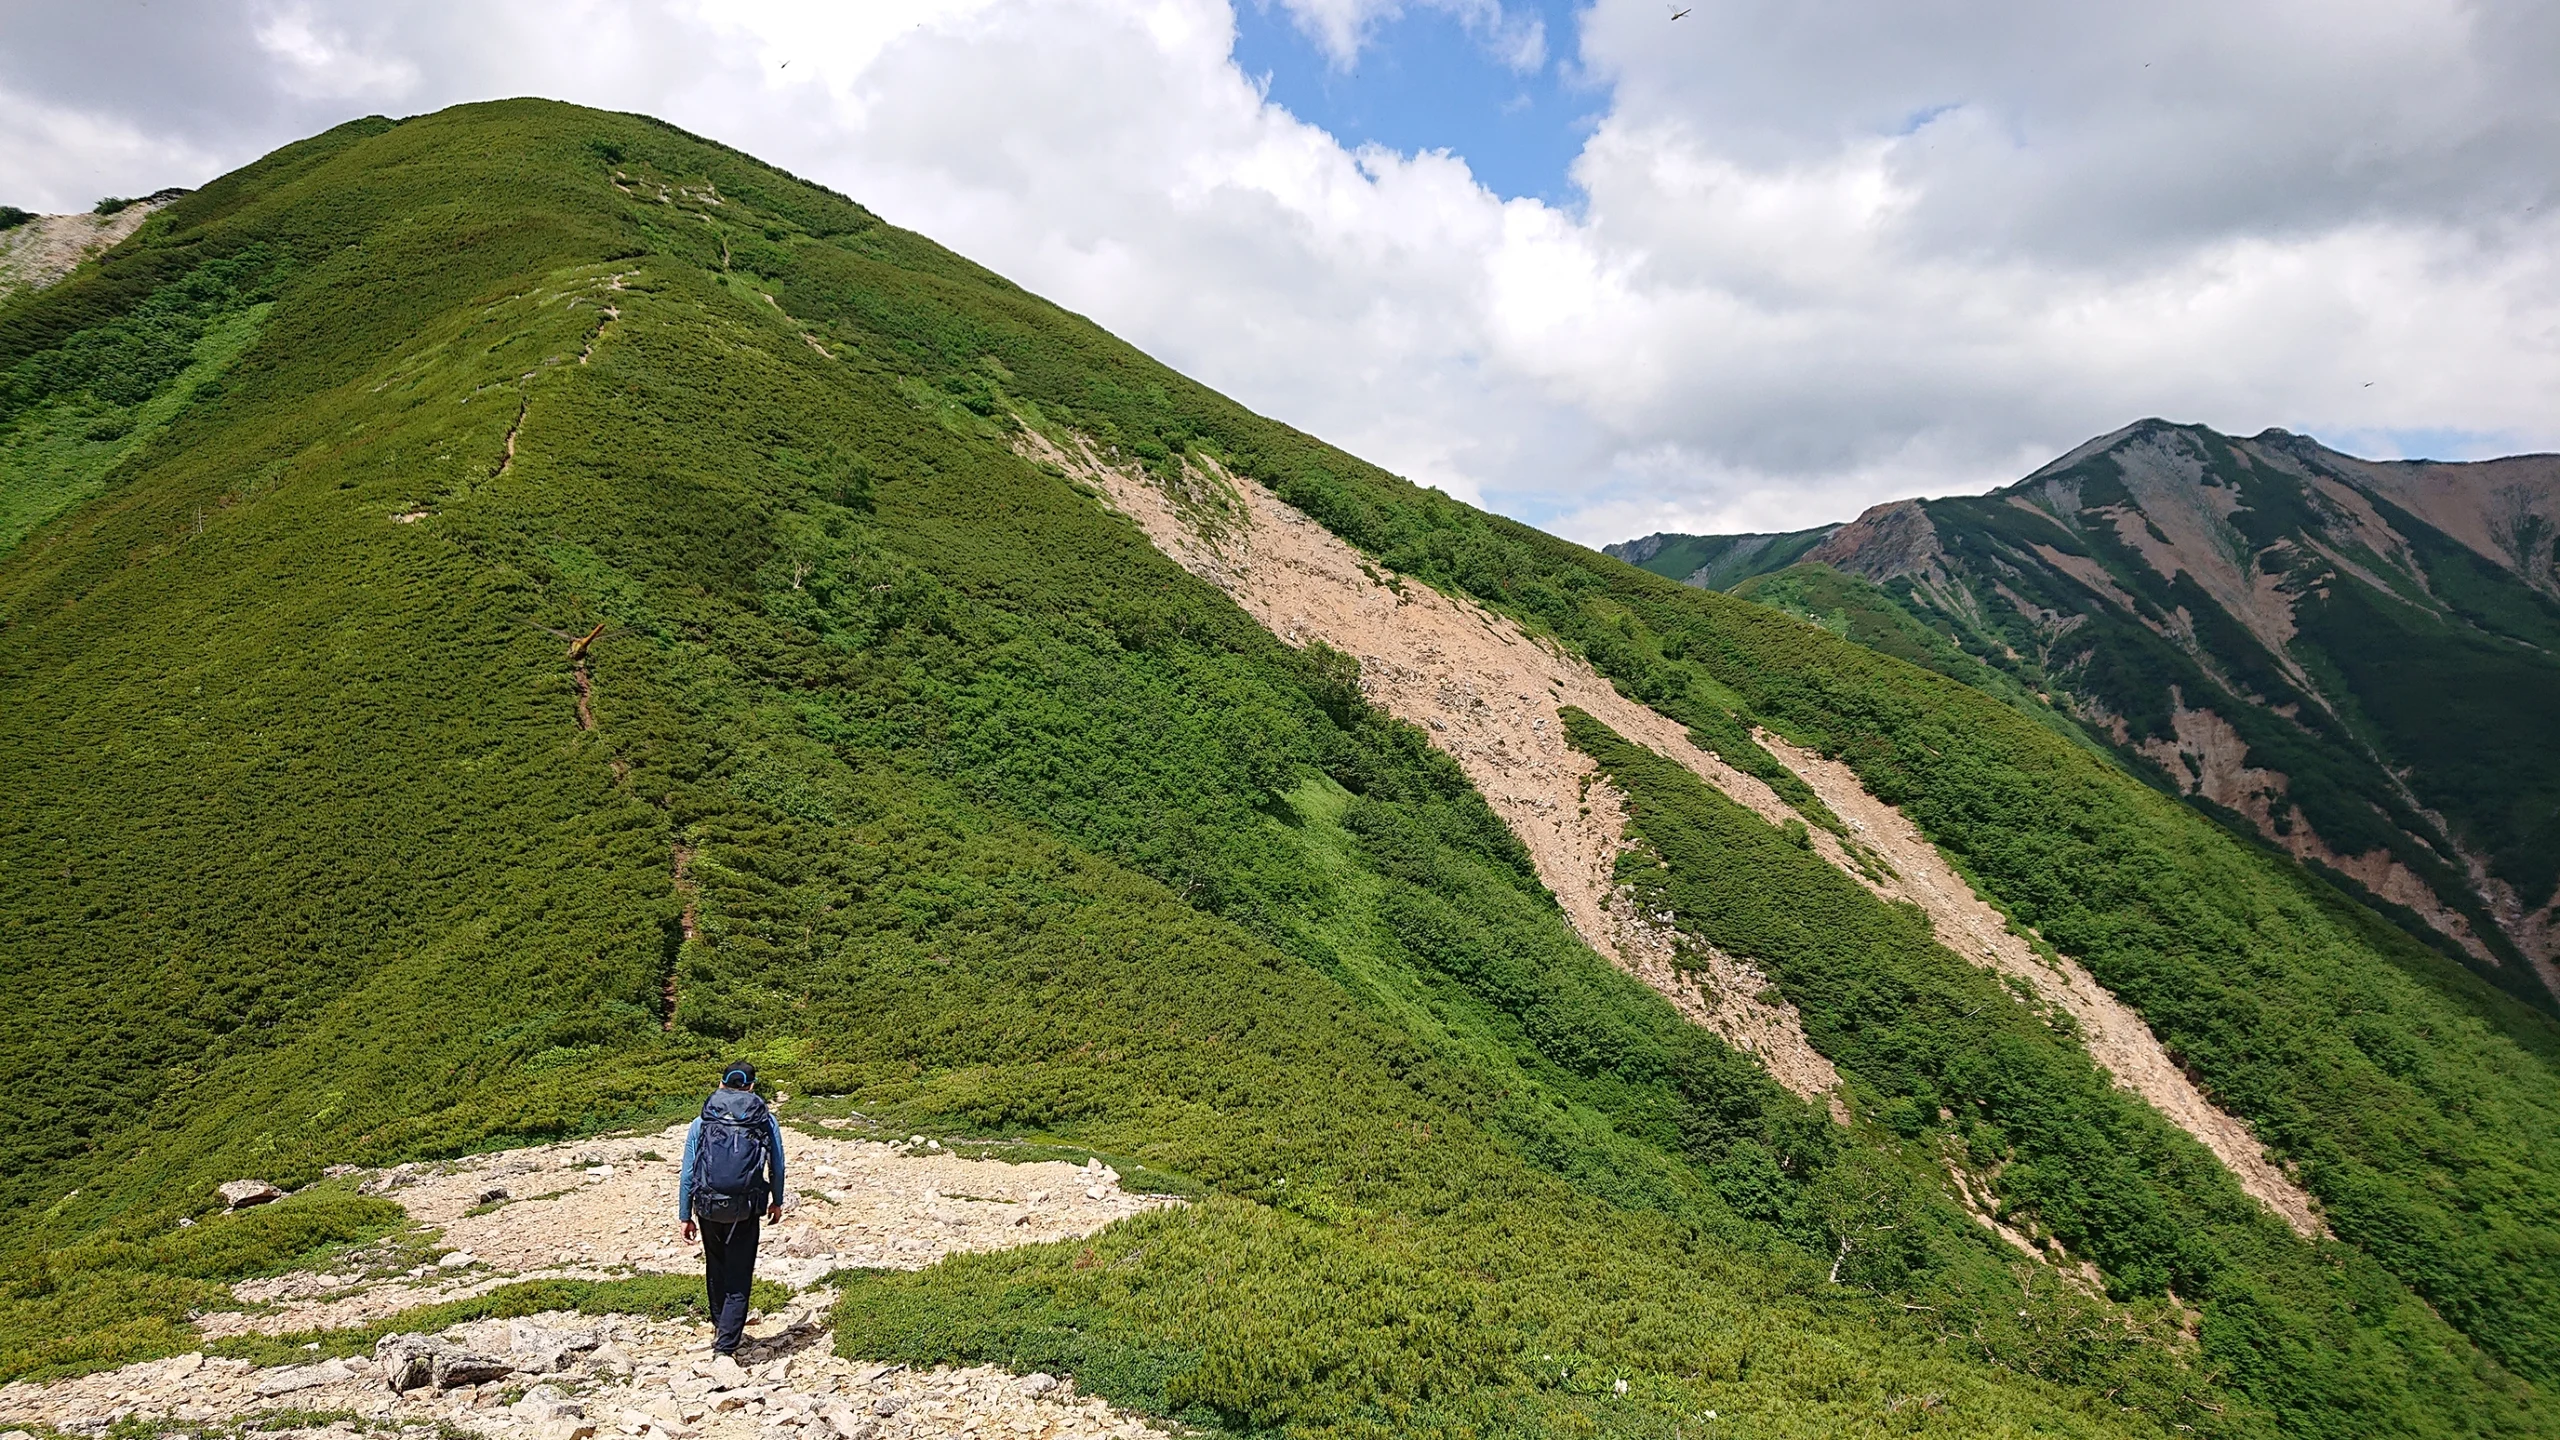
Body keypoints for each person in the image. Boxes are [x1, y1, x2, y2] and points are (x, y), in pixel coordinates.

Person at [678, 1061, 786, 1355]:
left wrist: (684, 1214)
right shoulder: (764, 1119)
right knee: (739, 1271)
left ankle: (719, 1328)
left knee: (716, 1266)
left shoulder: (703, 1120)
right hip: (746, 1207)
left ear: (721, 1082)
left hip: (707, 1205)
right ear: (752, 1086)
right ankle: (726, 1346)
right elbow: (777, 1164)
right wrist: (777, 1200)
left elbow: (688, 1172)